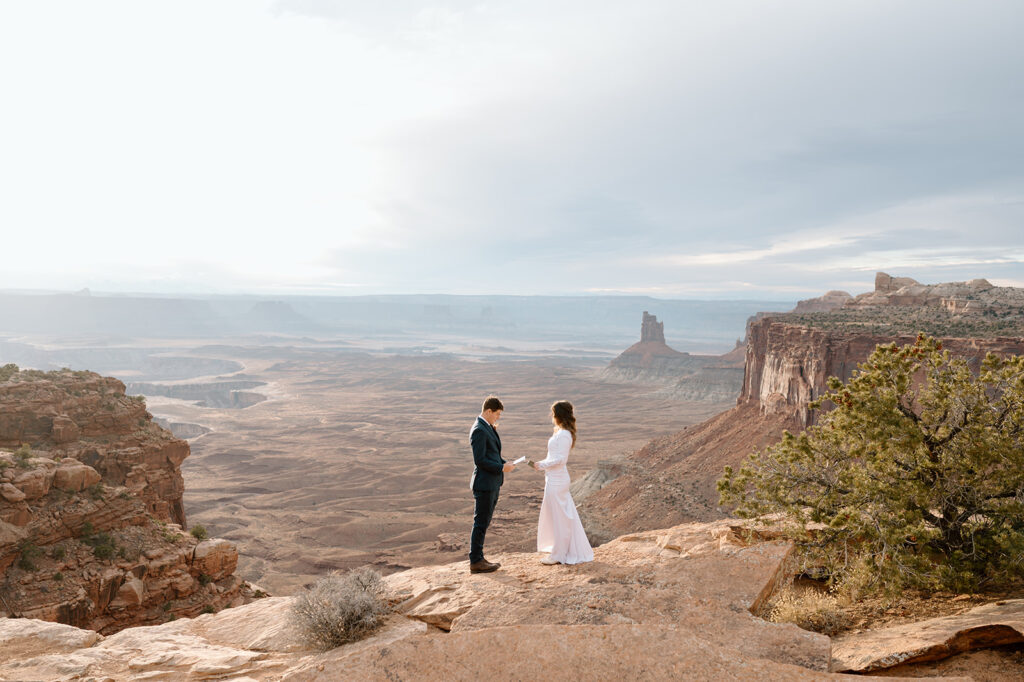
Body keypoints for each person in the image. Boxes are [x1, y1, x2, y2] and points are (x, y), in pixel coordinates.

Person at [530, 400, 594, 565]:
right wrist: (540, 464)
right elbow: (553, 457)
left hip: (558, 481)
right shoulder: (560, 433)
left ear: (559, 415)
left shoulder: (564, 434)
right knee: (557, 515)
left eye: (553, 413)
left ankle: (559, 555)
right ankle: (561, 549)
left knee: (561, 517)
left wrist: (541, 465)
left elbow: (560, 459)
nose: (552, 416)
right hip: (553, 478)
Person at [468, 395, 516, 574]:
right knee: (480, 523)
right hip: (484, 483)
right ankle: (476, 561)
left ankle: (479, 558)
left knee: (484, 521)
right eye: (497, 414)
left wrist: (504, 462)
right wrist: (502, 468)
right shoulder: (479, 429)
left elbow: (491, 455)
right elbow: (480, 460)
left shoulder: (486, 427)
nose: (498, 418)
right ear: (488, 411)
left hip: (492, 483)